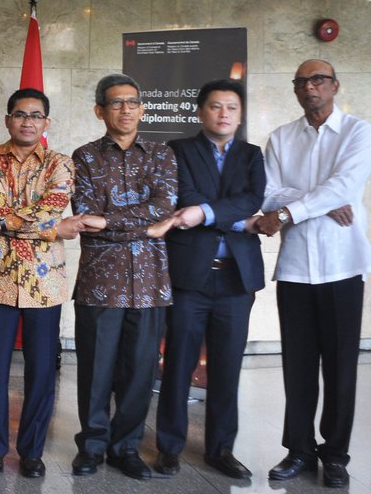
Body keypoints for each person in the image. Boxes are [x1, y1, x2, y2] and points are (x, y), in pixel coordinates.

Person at [257, 59, 371, 489]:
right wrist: (317, 200)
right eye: (302, 81)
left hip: (343, 265)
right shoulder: (282, 138)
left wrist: (291, 210)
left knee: (341, 367)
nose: (310, 87)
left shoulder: (360, 132)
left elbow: (346, 185)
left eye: (319, 79)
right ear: (295, 89)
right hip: (297, 268)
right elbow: (266, 192)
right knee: (298, 366)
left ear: (335, 85)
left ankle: (336, 455)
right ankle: (299, 450)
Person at [155, 79, 265, 480]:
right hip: (190, 278)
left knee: (226, 367)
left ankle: (221, 449)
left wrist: (204, 213)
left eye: (231, 108)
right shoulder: (178, 151)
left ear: (240, 114)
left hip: (236, 279)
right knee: (178, 364)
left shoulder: (253, 155)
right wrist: (231, 216)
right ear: (201, 112)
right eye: (216, 107)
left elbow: (254, 199)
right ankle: (169, 447)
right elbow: (182, 196)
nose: (224, 114)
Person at [70, 73, 177, 480]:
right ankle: (93, 446)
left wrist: (113, 220)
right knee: (95, 369)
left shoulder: (162, 155)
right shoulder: (84, 157)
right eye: (116, 103)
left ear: (143, 108)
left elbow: (164, 205)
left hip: (151, 282)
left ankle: (126, 447)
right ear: (100, 110)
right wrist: (146, 225)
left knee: (139, 371)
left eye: (132, 101)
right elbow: (86, 213)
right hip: (101, 282)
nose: (126, 109)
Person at [0, 88, 79, 478]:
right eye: (20, 115)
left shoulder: (62, 165)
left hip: (45, 282)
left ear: (46, 122)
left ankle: (32, 452)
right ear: (7, 119)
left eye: (36, 115)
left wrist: (3, 225)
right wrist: (49, 227)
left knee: (41, 369)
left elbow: (54, 209)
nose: (28, 121)